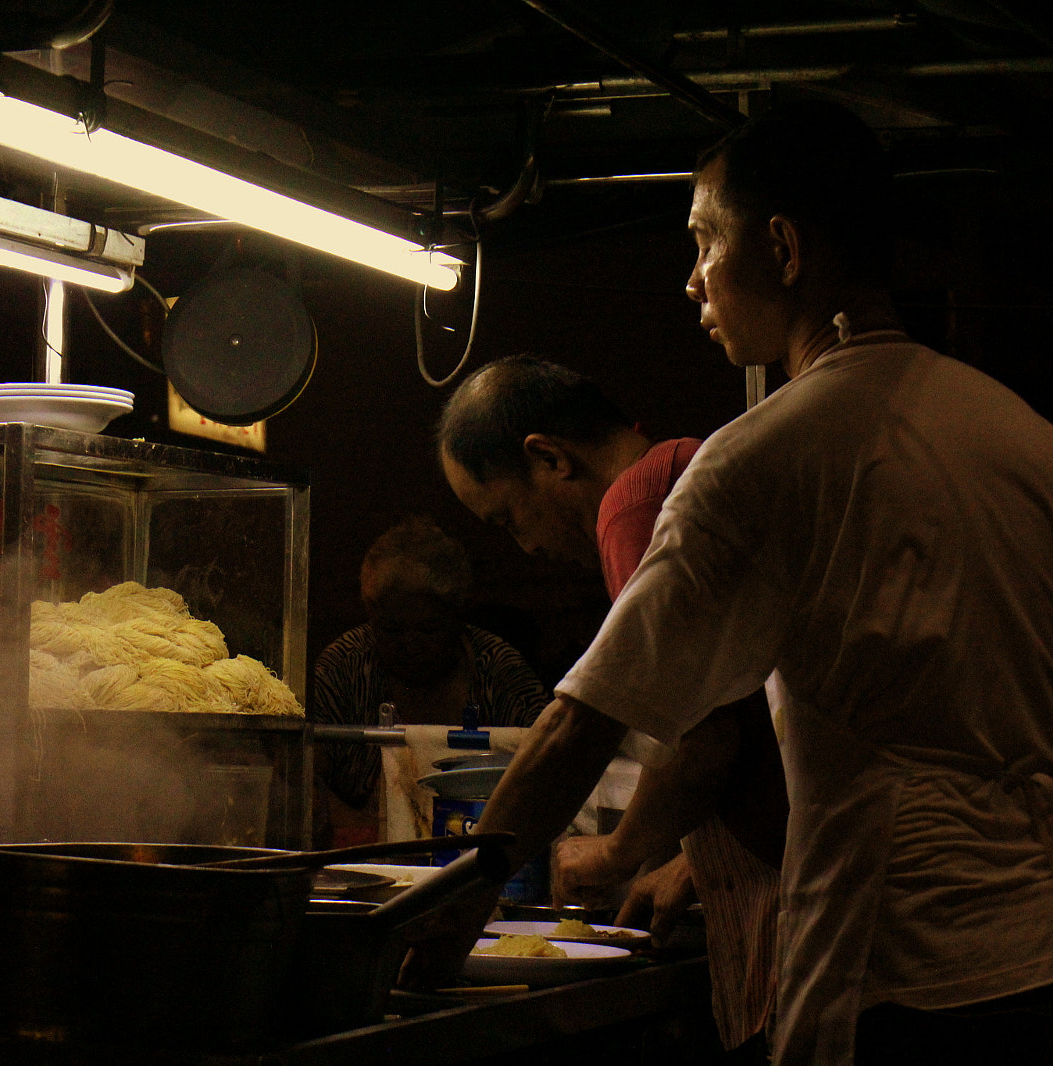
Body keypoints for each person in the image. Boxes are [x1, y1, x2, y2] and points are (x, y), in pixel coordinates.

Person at [406, 100, 1053, 1066]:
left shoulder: (759, 461)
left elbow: (586, 717)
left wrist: (450, 910)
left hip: (895, 973)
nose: (692, 278)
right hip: (1034, 960)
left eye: (707, 241)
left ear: (783, 248)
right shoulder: (1020, 433)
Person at [435, 354, 784, 1060]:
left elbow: (699, 740)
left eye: (507, 519)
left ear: (550, 459)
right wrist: (689, 863)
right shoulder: (690, 466)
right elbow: (754, 711)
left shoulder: (636, 503)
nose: (526, 546)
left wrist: (616, 851)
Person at [309, 515, 548, 846]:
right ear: (372, 617)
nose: (410, 644)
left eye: (428, 629)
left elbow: (550, 765)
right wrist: (369, 830)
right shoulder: (343, 668)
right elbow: (302, 779)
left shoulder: (499, 670)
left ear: (457, 616)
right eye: (392, 630)